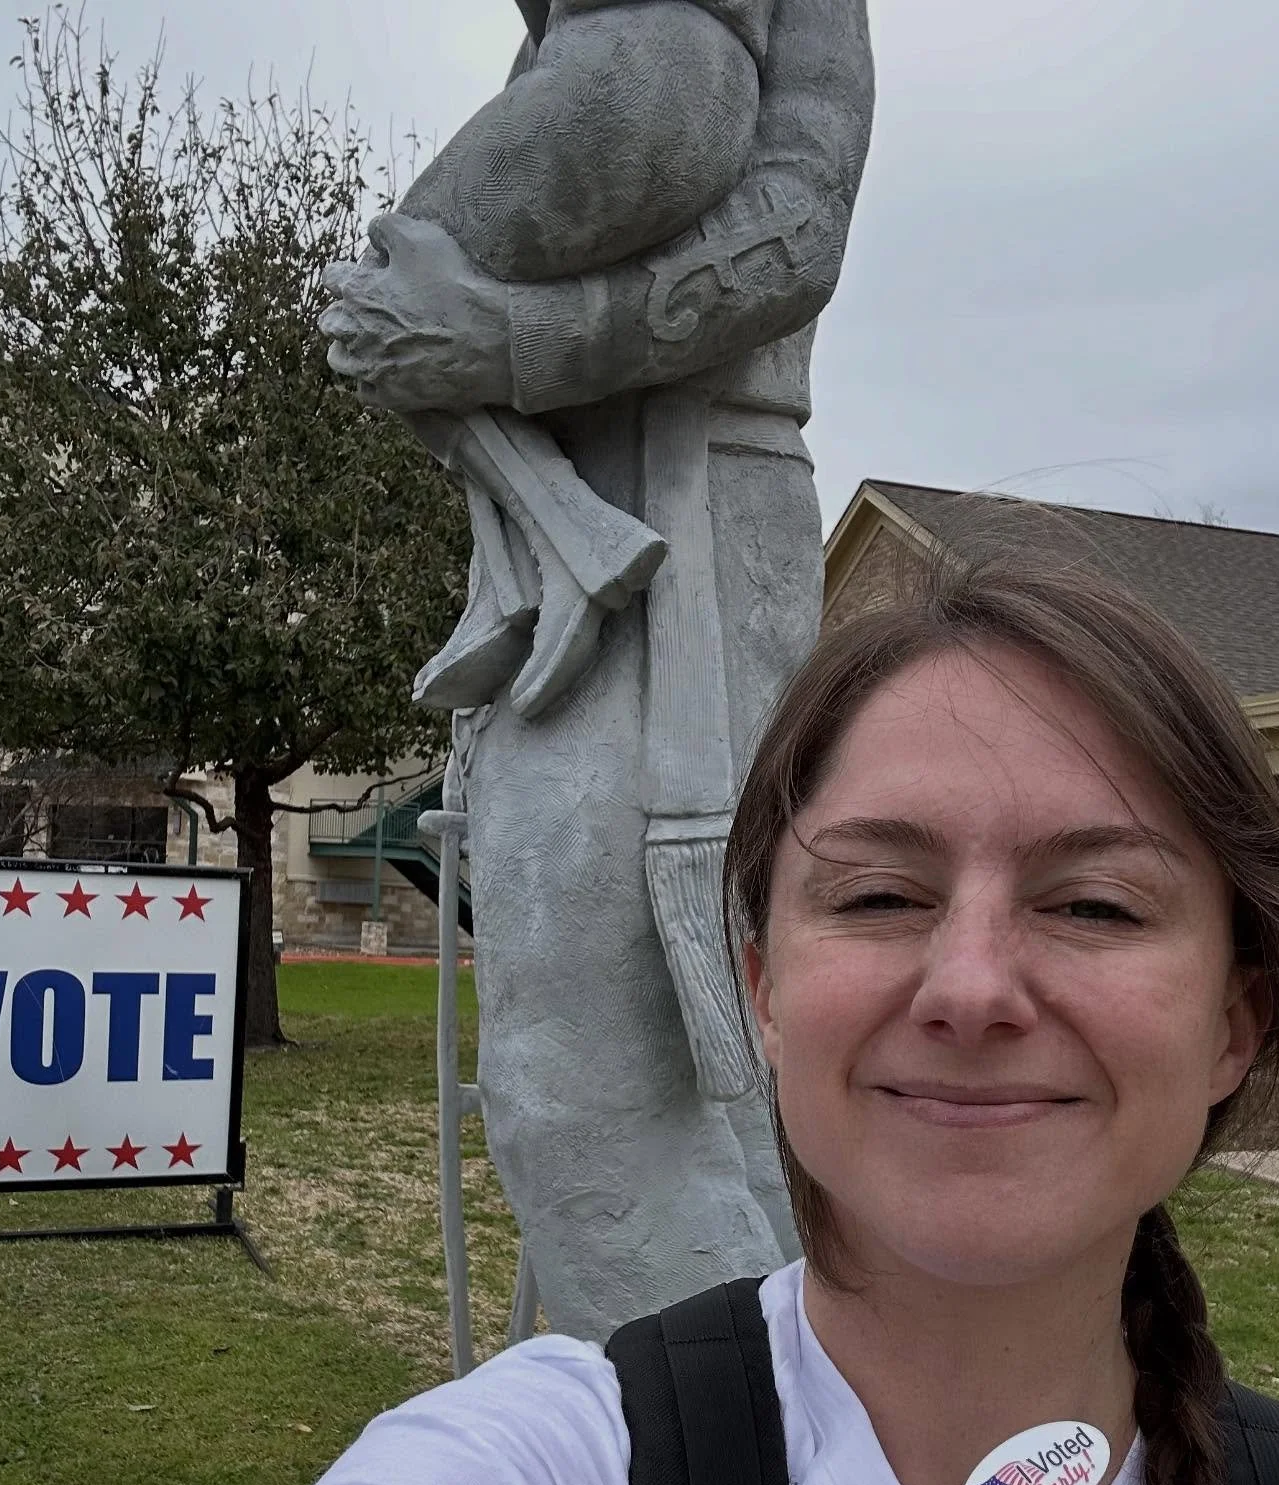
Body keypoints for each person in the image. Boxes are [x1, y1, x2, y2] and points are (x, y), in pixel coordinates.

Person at [118, 537, 1279, 1485]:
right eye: (879, 895)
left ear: (1235, 1019)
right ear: (760, 988)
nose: (971, 987)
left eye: (1094, 902)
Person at [318, 0, 875, 1343]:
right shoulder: (584, 60)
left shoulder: (699, 55)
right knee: (662, 1086)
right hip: (580, 532)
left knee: (606, 1083)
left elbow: (793, 233)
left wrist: (505, 346)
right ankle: (707, 1459)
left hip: (698, 520)